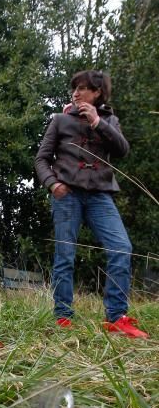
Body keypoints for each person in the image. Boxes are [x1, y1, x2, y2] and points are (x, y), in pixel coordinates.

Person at [35, 69, 149, 338]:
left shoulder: (110, 120)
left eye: (82, 88)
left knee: (122, 247)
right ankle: (63, 317)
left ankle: (116, 318)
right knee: (65, 255)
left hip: (100, 195)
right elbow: (41, 159)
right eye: (74, 89)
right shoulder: (60, 120)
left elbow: (122, 150)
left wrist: (98, 122)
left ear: (97, 93)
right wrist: (52, 183)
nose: (76, 93)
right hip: (67, 195)